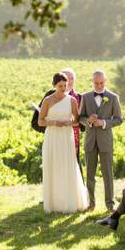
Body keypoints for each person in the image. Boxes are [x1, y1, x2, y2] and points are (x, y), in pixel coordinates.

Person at [39, 72, 89, 213]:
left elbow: (77, 120)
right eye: (60, 86)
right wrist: (53, 122)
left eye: (65, 85)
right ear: (54, 85)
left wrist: (69, 122)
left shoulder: (72, 100)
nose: (63, 88)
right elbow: (40, 121)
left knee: (68, 166)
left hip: (66, 136)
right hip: (52, 136)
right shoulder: (48, 100)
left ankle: (69, 201)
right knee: (53, 166)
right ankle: (54, 204)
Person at [79, 70, 122, 211]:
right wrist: (88, 121)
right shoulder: (85, 97)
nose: (98, 85)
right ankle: (91, 204)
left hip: (105, 142)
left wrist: (104, 123)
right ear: (92, 82)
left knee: (108, 174)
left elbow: (119, 119)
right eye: (96, 83)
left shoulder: (113, 98)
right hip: (90, 141)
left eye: (101, 83)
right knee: (90, 174)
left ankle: (110, 204)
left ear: (105, 81)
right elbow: (80, 118)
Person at [61, 67, 84, 170]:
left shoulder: (80, 97)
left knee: (74, 168)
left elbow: (83, 126)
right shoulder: (49, 97)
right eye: (66, 78)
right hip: (56, 138)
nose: (69, 81)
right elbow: (36, 121)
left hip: (73, 139)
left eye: (71, 78)